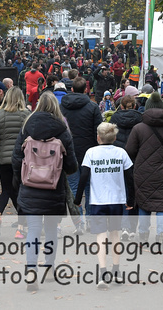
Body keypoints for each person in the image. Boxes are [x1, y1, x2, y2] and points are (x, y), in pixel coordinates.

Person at [11, 92, 78, 292]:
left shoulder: (26, 129)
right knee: (50, 231)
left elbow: (16, 158)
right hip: (53, 189)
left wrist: (19, 180)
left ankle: (31, 270)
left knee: (32, 231)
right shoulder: (63, 131)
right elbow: (72, 165)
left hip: (30, 186)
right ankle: (49, 268)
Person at [74, 122, 134, 290]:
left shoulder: (91, 153)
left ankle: (103, 273)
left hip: (97, 201)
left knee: (101, 236)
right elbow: (130, 177)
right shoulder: (121, 153)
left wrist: (78, 199)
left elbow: (84, 177)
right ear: (114, 138)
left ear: (98, 138)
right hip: (117, 200)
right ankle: (116, 271)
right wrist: (131, 199)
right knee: (115, 234)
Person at [126, 92, 163, 242]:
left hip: (143, 172)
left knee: (144, 204)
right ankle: (162, 233)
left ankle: (143, 235)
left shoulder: (138, 129)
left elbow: (129, 151)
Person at [0, 87, 30, 239]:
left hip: (3, 159)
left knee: (6, 190)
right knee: (21, 192)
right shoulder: (26, 115)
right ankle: (21, 228)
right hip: (21, 159)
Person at [60, 77, 102, 233]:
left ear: (72, 89)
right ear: (86, 90)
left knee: (73, 187)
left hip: (69, 152)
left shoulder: (62, 107)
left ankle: (79, 223)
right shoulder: (93, 107)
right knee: (91, 188)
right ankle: (91, 220)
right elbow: (98, 131)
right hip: (89, 152)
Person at [109, 94, 143, 241]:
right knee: (132, 192)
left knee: (119, 192)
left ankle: (121, 225)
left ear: (121, 106)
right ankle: (132, 227)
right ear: (134, 106)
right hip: (134, 160)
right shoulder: (141, 119)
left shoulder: (114, 118)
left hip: (117, 158)